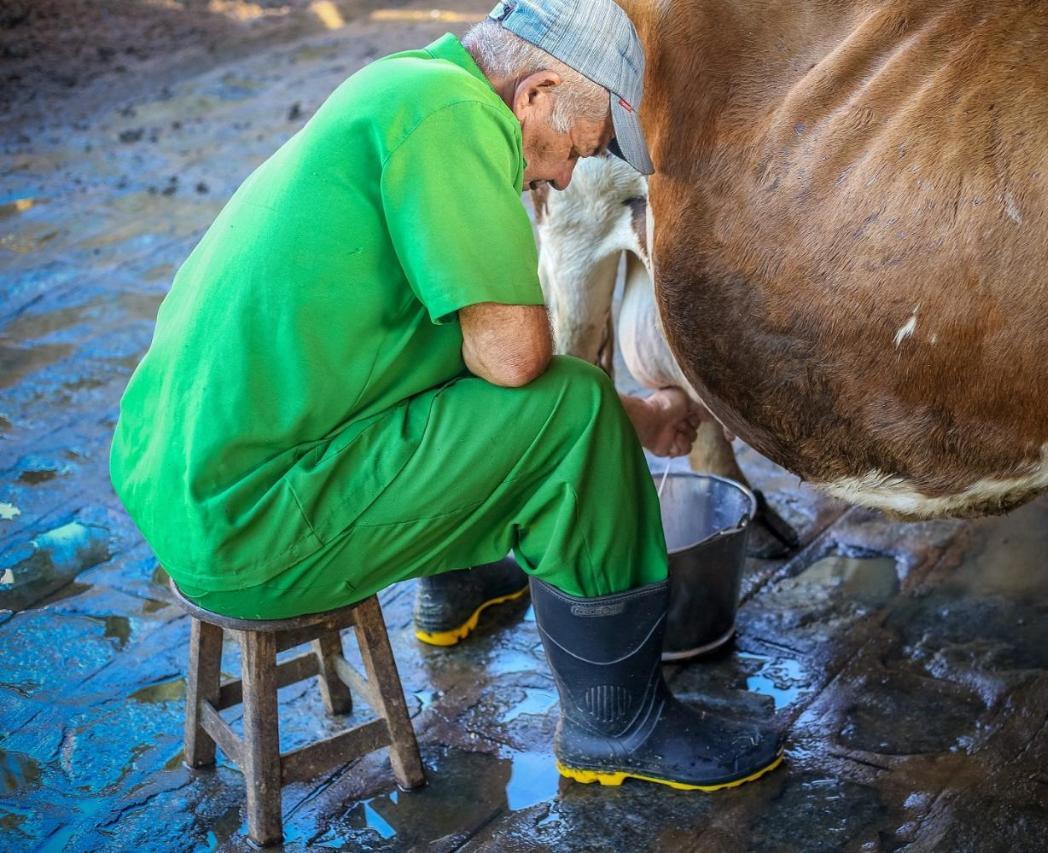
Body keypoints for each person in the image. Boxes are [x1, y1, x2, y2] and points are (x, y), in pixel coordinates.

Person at [109, 0, 782, 791]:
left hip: (182, 478)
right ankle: (618, 725)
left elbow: (442, 349)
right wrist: (625, 413)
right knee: (578, 407)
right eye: (581, 146)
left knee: (505, 379)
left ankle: (461, 574)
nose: (566, 174)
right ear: (534, 94)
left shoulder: (404, 84)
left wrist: (647, 416)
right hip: (252, 523)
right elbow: (516, 358)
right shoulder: (454, 120)